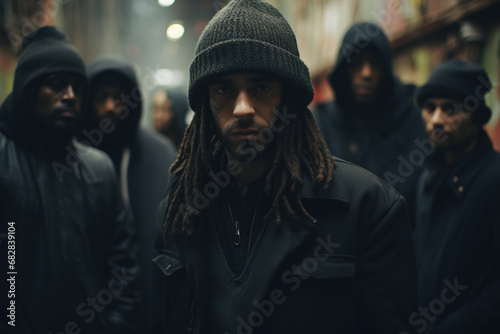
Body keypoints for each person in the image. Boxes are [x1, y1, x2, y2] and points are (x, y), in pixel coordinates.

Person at [153, 1, 418, 333]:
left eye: (261, 87)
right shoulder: (181, 205)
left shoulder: (367, 209)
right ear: (205, 101)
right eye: (224, 88)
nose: (243, 108)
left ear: (288, 97)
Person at [0, 26, 138, 334]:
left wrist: (115, 326)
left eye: (78, 87)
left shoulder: (98, 168)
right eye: (56, 85)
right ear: (29, 88)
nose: (70, 96)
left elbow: (123, 267)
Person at [78, 56, 177, 333]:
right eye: (101, 97)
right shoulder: (70, 158)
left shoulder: (159, 155)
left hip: (146, 301)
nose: (110, 106)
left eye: (119, 97)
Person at [412, 59, 500, 333]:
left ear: (476, 115)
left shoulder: (494, 180)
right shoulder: (428, 178)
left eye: (450, 108)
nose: (437, 119)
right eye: (430, 108)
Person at [313, 22, 427, 224]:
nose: (366, 73)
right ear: (344, 70)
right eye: (357, 62)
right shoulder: (321, 122)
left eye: (375, 63)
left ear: (386, 71)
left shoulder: (414, 116)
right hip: (336, 247)